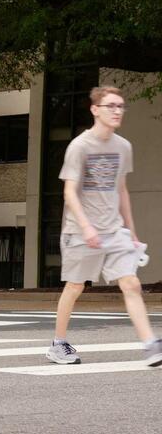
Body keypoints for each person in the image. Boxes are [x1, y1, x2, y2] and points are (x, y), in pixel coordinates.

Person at [47, 86, 162, 367]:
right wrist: (86, 227)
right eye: (111, 106)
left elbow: (121, 190)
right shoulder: (80, 146)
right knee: (75, 287)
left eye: (121, 106)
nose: (117, 111)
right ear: (95, 109)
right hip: (80, 231)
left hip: (113, 231)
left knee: (131, 283)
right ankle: (58, 344)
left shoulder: (123, 146)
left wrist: (132, 231)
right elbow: (70, 193)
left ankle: (150, 345)